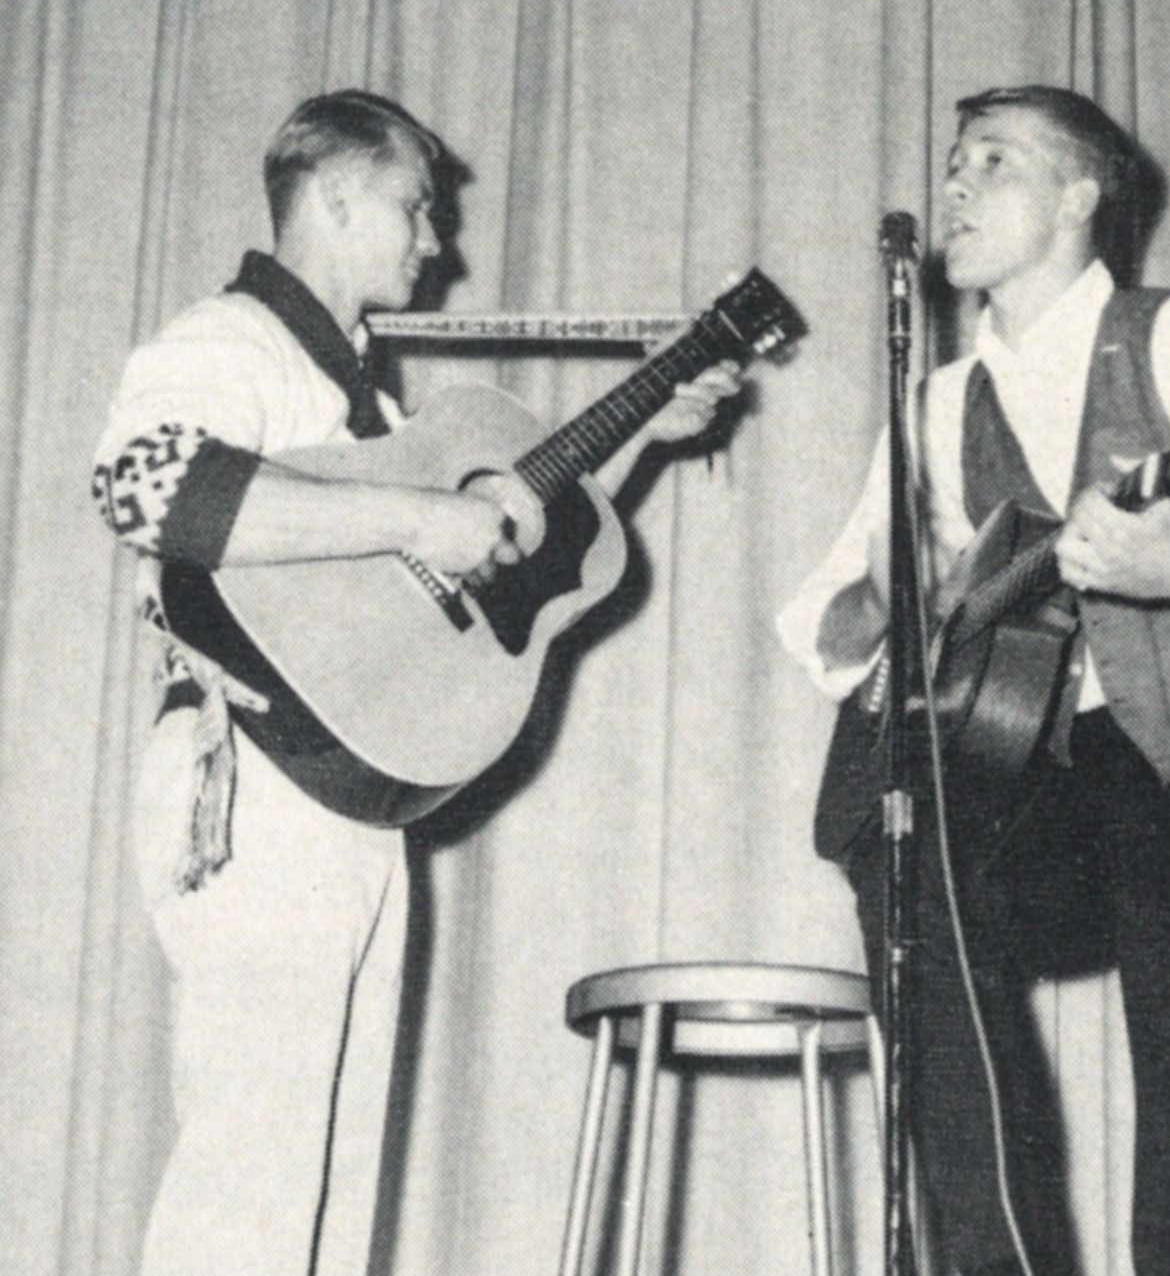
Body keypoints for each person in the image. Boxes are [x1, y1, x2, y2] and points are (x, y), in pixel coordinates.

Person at [92, 90, 740, 1275]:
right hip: (254, 782)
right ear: (334, 195)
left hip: (340, 796)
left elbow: (492, 549)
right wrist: (416, 519)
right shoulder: (225, 341)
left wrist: (646, 426)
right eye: (412, 208)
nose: (433, 243)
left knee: (333, 1194)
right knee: (254, 1167)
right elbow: (145, 489)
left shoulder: (366, 404)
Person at [777, 86, 1170, 1275]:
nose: (954, 184)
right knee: (901, 864)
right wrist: (898, 595)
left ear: (1079, 197)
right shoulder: (931, 406)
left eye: (992, 161)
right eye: (949, 163)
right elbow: (829, 626)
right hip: (1041, 788)